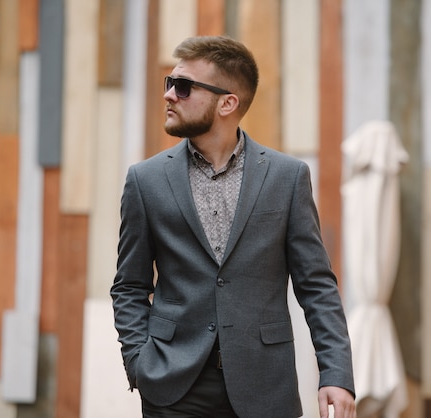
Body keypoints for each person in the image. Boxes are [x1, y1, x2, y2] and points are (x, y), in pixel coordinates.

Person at [111, 35, 356, 418]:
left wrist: (336, 373)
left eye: (184, 86)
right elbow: (129, 285)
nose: (170, 95)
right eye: (169, 83)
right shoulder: (146, 180)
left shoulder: (287, 178)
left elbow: (316, 285)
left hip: (265, 386)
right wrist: (140, 363)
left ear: (228, 102)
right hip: (174, 385)